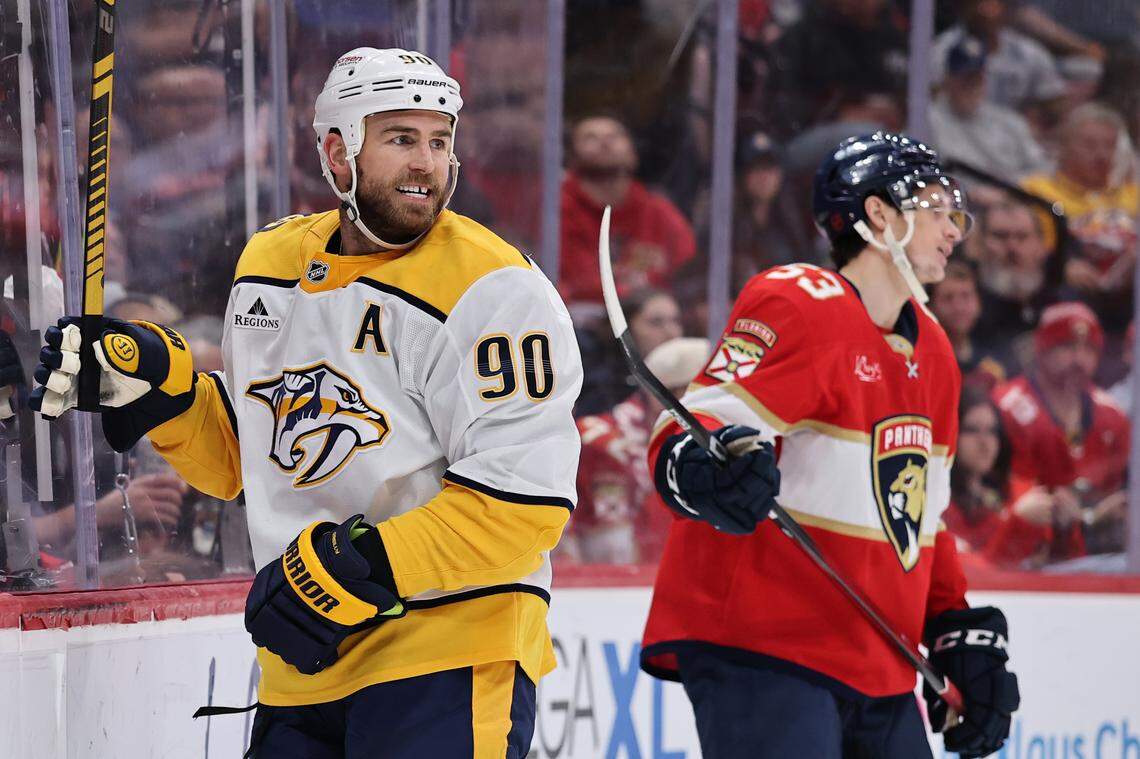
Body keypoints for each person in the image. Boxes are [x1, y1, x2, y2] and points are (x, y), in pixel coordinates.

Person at [29, 47, 582, 757]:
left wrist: (358, 565)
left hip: (448, 653)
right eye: (401, 139)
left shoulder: (495, 289)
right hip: (305, 667)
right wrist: (166, 399)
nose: (427, 163)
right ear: (337, 149)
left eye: (440, 142)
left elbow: (522, 503)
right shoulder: (271, 264)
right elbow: (246, 459)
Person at [640, 132, 1019, 758]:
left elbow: (921, 515)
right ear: (878, 214)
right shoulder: (801, 301)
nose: (954, 229)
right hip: (768, 645)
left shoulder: (935, 350)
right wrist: (708, 466)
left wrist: (950, 623)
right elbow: (693, 426)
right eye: (934, 208)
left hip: (878, 657)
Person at [992, 302, 1129, 558]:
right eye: (1066, 346)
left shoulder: (1113, 416)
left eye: (1089, 349)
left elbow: (1114, 490)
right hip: (1020, 549)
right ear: (1040, 350)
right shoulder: (1007, 406)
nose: (1079, 359)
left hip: (1092, 554)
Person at [568, 337, 709, 565]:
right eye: (710, 393)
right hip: (597, 589)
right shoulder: (605, 443)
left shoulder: (676, 441)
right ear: (675, 394)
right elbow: (614, 549)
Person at [557, 114, 696, 318]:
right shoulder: (557, 210)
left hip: (650, 319)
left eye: (615, 136)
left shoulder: (658, 211)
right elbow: (572, 285)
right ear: (571, 158)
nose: (604, 143)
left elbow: (688, 274)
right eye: (590, 138)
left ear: (633, 154)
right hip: (580, 325)